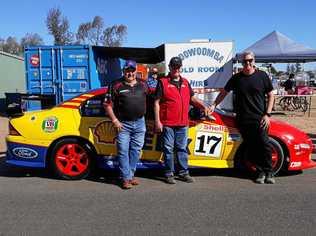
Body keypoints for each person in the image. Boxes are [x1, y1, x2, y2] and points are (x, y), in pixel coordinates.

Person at [210, 51, 275, 184]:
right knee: (251, 146)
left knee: (264, 144)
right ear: (241, 63)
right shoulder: (236, 78)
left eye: (250, 60)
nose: (248, 63)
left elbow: (271, 95)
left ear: (254, 60)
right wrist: (214, 104)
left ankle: (269, 172)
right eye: (245, 61)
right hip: (243, 119)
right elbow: (224, 92)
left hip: (260, 119)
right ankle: (260, 172)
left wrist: (267, 114)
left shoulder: (262, 76)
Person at [154, 56, 210, 184]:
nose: (176, 69)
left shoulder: (185, 82)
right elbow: (156, 103)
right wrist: (158, 121)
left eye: (178, 67)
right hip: (168, 123)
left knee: (182, 148)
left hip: (183, 123)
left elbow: (193, 99)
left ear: (181, 68)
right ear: (170, 67)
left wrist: (204, 106)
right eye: (174, 66)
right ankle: (169, 174)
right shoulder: (163, 82)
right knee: (168, 149)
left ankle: (184, 173)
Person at [104, 60, 148, 189]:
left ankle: (130, 175)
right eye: (127, 70)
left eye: (132, 70)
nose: (130, 73)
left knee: (136, 150)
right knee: (123, 151)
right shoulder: (116, 85)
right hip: (123, 124)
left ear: (136, 71)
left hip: (140, 123)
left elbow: (153, 100)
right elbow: (107, 105)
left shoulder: (143, 84)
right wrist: (115, 121)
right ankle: (125, 178)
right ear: (124, 71)